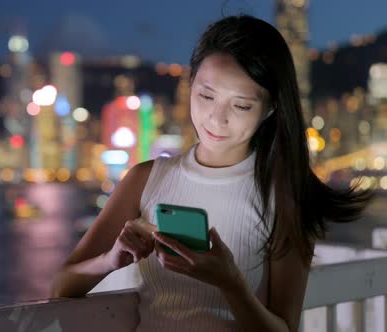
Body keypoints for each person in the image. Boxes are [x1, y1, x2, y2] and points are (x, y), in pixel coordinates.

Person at [50, 14, 374, 331]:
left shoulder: (284, 197)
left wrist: (230, 283)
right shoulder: (144, 179)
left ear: (271, 108)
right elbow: (61, 287)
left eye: (241, 105)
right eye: (206, 96)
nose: (217, 119)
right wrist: (110, 260)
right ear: (190, 85)